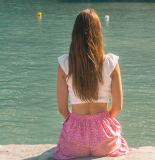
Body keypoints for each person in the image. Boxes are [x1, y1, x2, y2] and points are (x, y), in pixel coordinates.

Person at [54, 10, 128, 160]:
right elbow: (117, 107)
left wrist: (76, 124)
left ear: (75, 34)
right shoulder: (111, 63)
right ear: (98, 33)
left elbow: (62, 109)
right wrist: (101, 121)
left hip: (74, 141)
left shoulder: (65, 64)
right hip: (104, 140)